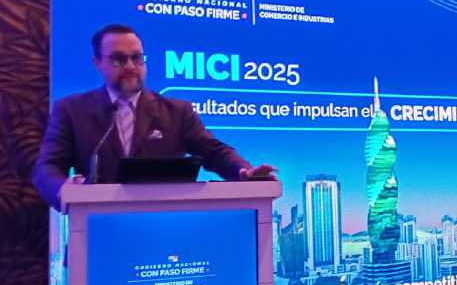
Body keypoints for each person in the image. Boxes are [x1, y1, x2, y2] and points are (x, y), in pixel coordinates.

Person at [33, 23, 276, 210]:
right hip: (95, 230)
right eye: (119, 59)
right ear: (98, 63)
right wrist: (65, 190)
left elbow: (214, 151)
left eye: (137, 58)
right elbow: (47, 167)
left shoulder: (177, 112)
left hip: (162, 229)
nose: (130, 66)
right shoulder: (71, 110)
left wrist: (243, 172)